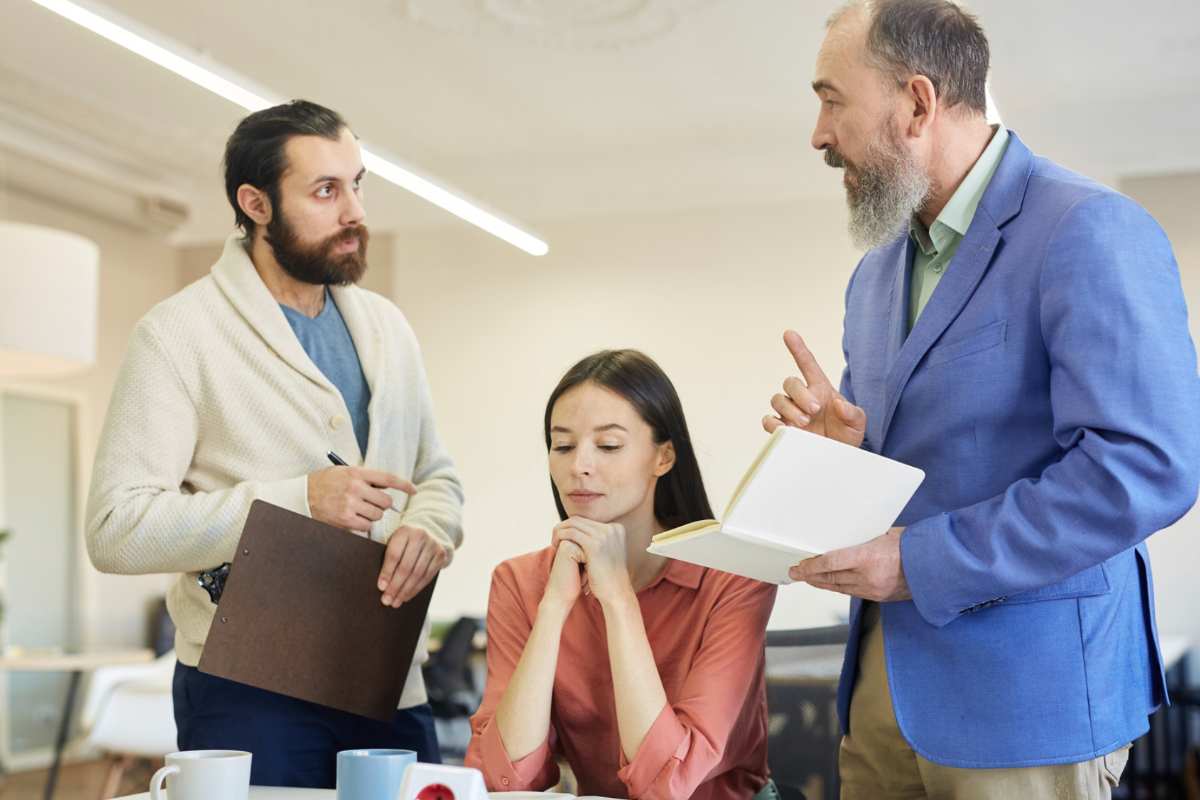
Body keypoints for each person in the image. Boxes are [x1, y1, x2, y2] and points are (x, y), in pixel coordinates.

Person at [762, 2, 1200, 797]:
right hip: (882, 694)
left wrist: (922, 560)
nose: (818, 135)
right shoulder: (875, 276)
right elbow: (914, 473)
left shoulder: (1089, 229)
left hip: (1029, 704)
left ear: (918, 103)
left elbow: (1145, 468)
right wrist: (844, 458)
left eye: (832, 99)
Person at [85, 100, 464, 787]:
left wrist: (432, 526)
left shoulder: (387, 328)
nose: (354, 210)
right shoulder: (179, 334)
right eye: (325, 191)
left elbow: (435, 474)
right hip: (249, 688)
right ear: (255, 204)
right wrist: (297, 501)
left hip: (385, 676)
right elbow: (116, 529)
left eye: (357, 184)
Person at [466, 350, 778, 799]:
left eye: (608, 446)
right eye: (563, 445)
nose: (580, 466)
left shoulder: (736, 578)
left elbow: (669, 784)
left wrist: (617, 599)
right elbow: (506, 780)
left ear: (664, 457)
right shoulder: (520, 582)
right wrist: (553, 608)